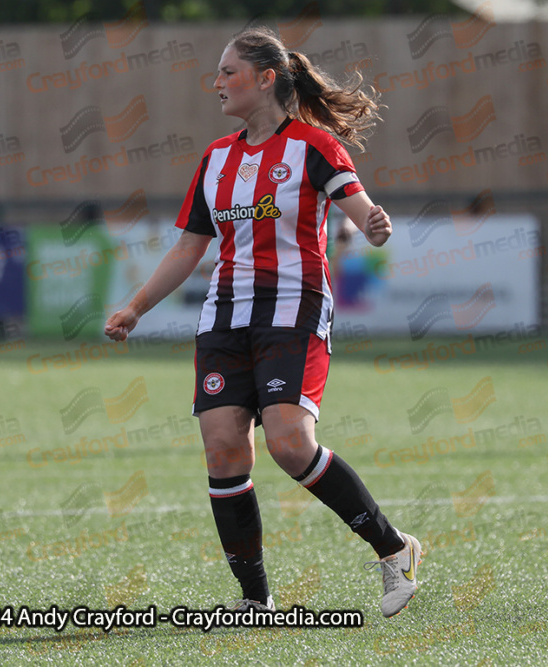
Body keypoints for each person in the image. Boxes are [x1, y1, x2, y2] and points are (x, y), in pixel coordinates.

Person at [104, 27, 422, 616]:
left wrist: (374, 224)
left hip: (293, 310)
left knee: (288, 442)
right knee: (224, 451)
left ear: (266, 78)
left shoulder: (313, 146)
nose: (217, 83)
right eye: (218, 73)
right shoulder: (216, 157)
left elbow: (358, 205)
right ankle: (257, 603)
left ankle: (393, 548)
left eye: (228, 73)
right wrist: (135, 306)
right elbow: (187, 248)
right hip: (224, 316)